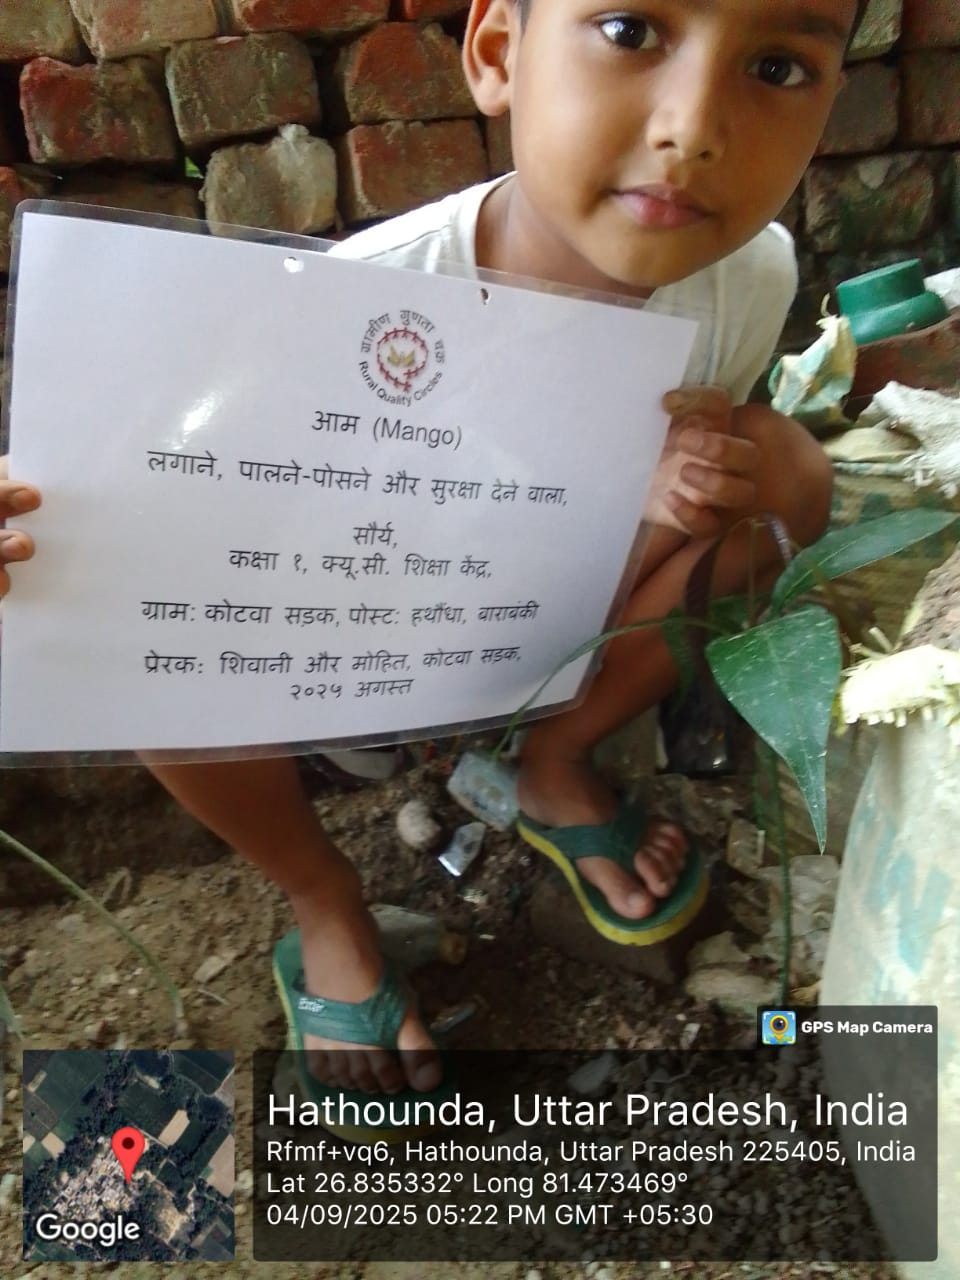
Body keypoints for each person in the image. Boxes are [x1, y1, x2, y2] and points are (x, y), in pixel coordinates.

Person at [0, 0, 864, 1096]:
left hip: (547, 635)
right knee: (117, 570)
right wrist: (49, 539)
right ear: (499, 53)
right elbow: (204, 519)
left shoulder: (754, 274)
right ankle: (324, 899)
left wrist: (669, 494)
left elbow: (634, 542)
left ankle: (551, 765)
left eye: (778, 65)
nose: (695, 126)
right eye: (632, 31)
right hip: (330, 682)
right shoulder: (345, 304)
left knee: (782, 470)